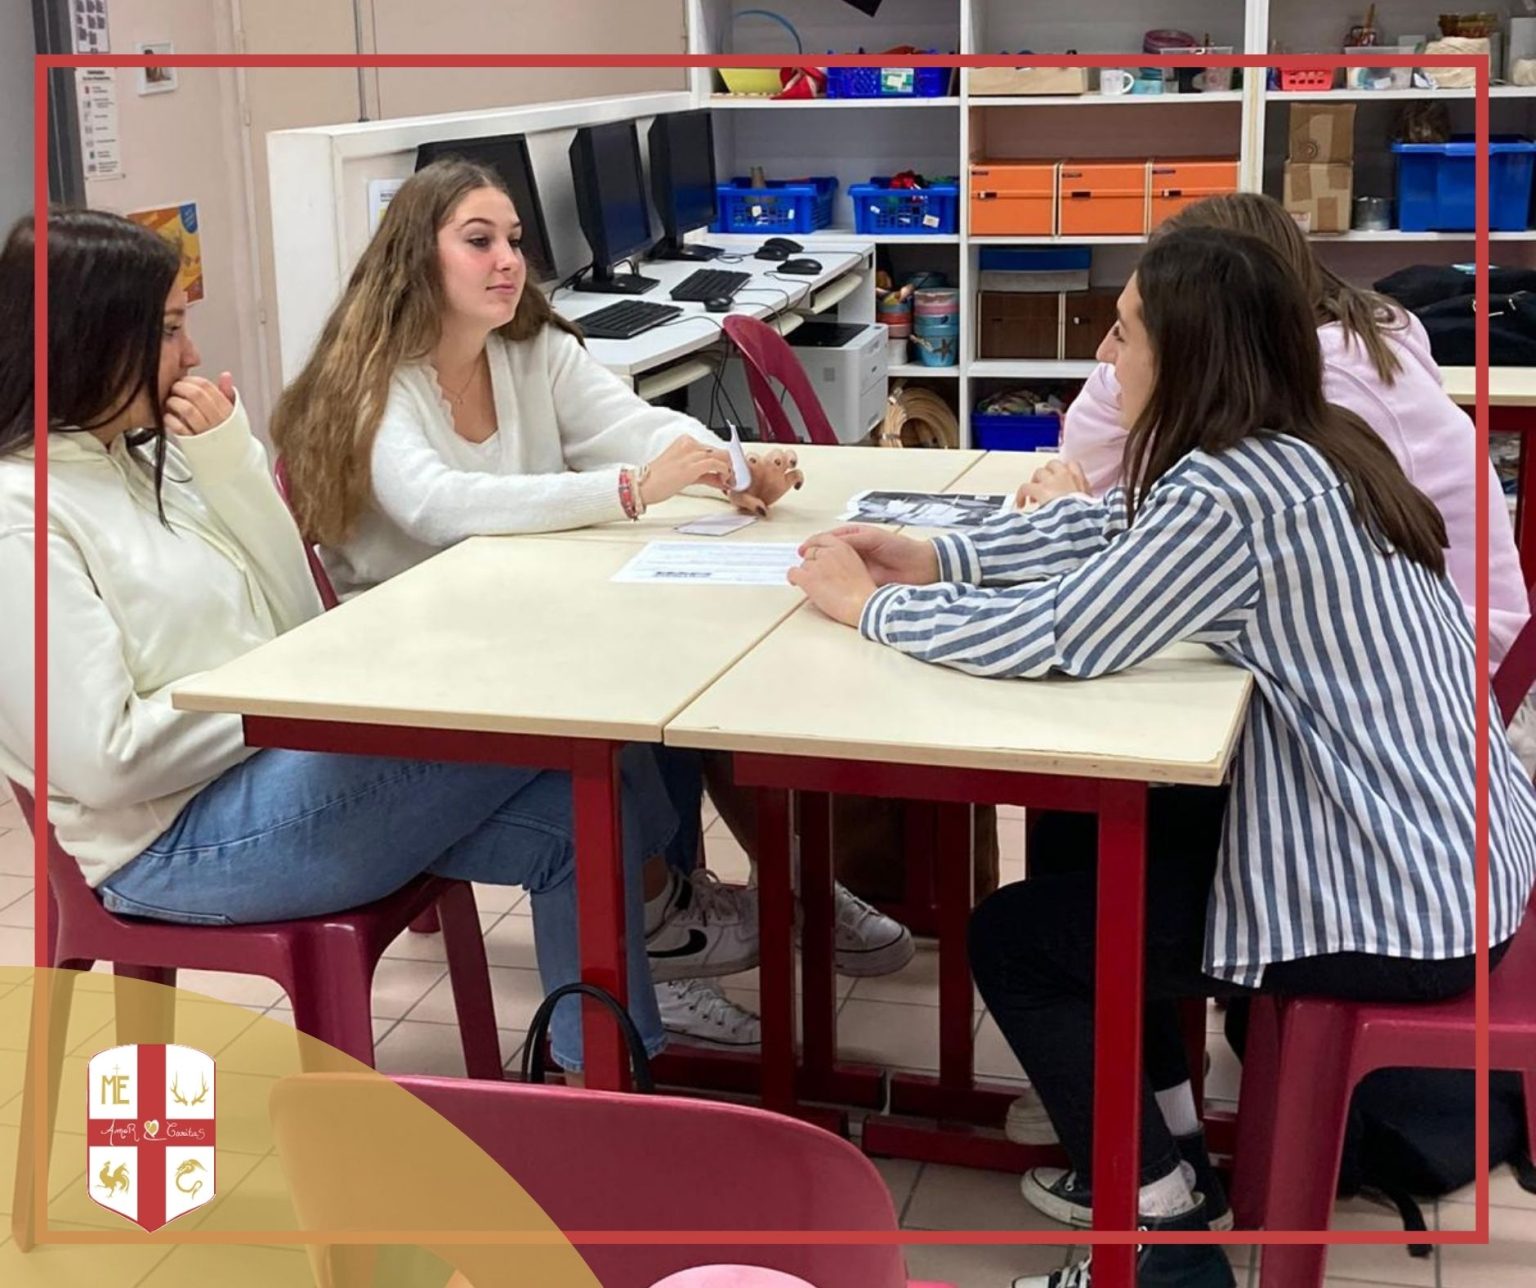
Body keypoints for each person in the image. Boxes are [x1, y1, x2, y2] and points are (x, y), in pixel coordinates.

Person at [788, 226, 1536, 1288]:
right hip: (1452, 860)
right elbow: (1113, 534)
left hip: (1398, 904)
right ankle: (1174, 1148)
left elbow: (1060, 635)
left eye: (1125, 332)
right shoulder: (1301, 440)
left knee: (1020, 941)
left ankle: (1165, 1243)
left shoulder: (1237, 491)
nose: (1105, 353)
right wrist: (935, 553)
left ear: (1189, 350)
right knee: (1120, 855)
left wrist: (870, 608)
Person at [0, 208, 705, 1077]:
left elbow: (301, 624)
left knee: (577, 810)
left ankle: (602, 1083)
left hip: (267, 769)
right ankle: (672, 925)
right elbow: (107, 762)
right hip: (175, 843)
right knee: (559, 703)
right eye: (171, 330)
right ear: (91, 339)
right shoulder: (21, 515)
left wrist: (230, 463)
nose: (192, 354)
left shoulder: (149, 458)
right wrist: (276, 700)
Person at [268, 159, 911, 1041]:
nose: (508, 261)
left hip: (518, 616)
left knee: (708, 684)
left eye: (514, 240)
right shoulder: (376, 378)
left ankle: (759, 899)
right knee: (624, 709)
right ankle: (656, 930)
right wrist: (628, 490)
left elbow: (633, 427)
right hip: (419, 656)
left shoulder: (528, 347)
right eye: (479, 241)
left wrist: (728, 466)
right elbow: (436, 504)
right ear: (415, 257)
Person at [1021, 191, 1528, 673]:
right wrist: (1133, 352)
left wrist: (1073, 517)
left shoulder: (1327, 390)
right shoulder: (1295, 363)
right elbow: (1106, 453)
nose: (1107, 351)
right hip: (1409, 643)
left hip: (1455, 658)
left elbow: (1190, 560)